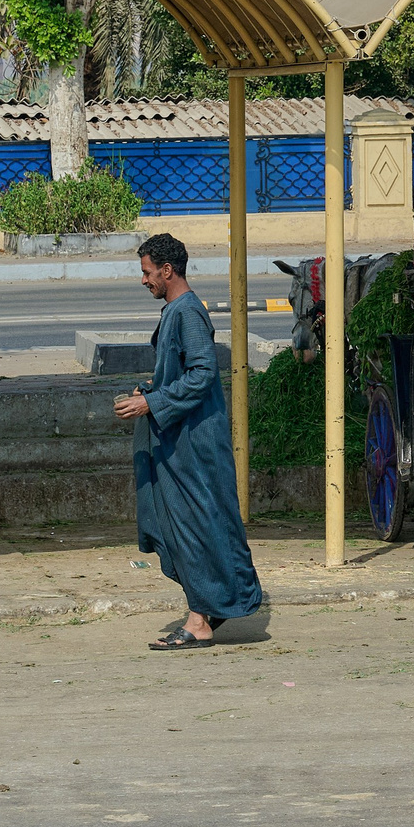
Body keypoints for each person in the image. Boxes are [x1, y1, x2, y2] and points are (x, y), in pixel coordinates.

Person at [116, 232, 266, 649]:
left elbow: (202, 375)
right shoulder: (175, 311)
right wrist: (148, 390)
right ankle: (209, 606)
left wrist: (152, 404)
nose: (143, 280)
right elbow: (179, 372)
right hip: (180, 442)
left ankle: (201, 619)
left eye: (147, 272)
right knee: (187, 525)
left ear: (167, 270)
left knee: (198, 526)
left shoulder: (187, 313)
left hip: (196, 446)